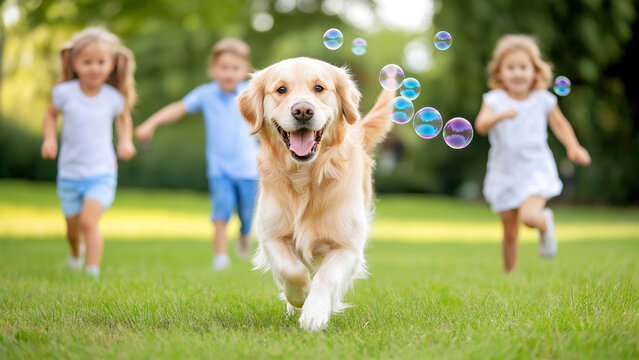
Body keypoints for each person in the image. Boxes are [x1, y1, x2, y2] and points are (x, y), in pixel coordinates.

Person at [135, 38, 258, 271]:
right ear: (212, 69)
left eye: (235, 68)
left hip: (249, 169)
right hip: (219, 169)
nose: (229, 73)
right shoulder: (205, 94)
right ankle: (220, 257)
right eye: (223, 68)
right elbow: (178, 108)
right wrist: (151, 124)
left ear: (245, 70)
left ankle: (244, 233)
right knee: (220, 212)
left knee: (246, 214)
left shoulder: (250, 94)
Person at [474, 34, 591, 273]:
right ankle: (511, 275)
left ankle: (544, 224)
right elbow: (481, 124)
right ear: (499, 73)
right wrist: (500, 115)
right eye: (510, 67)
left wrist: (573, 147)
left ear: (535, 72)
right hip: (504, 172)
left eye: (523, 67)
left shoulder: (543, 99)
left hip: (535, 169)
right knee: (509, 231)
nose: (517, 73)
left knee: (528, 218)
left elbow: (560, 125)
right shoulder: (495, 100)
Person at [41, 27, 137, 278]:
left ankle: (92, 271)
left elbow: (124, 118)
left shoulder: (113, 97)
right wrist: (49, 139)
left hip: (102, 172)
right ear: (74, 63)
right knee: (72, 230)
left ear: (111, 64)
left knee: (88, 223)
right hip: (70, 174)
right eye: (87, 62)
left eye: (100, 62)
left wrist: (125, 141)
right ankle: (75, 255)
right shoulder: (64, 93)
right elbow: (50, 116)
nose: (94, 68)